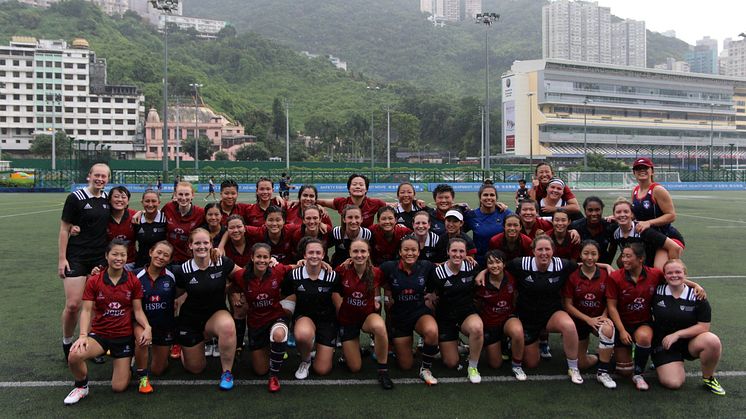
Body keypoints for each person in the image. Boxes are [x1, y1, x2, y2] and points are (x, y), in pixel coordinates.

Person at [63, 240, 151, 405]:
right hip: (100, 336)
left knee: (118, 387)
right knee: (74, 355)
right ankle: (81, 386)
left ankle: (127, 363)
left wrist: (147, 327)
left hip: (124, 337)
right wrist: (82, 335)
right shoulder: (95, 280)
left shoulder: (133, 281)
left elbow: (138, 311)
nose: (119, 258)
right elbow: (87, 310)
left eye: (122, 255)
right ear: (106, 256)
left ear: (127, 257)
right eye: (115, 254)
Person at [606, 243, 704, 391]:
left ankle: (638, 374)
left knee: (644, 338)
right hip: (622, 323)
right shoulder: (615, 277)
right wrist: (621, 330)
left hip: (642, 323)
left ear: (641, 259)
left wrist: (695, 285)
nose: (624, 259)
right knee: (624, 371)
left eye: (628, 256)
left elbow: (673, 278)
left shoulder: (654, 274)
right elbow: (611, 307)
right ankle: (618, 354)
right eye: (623, 256)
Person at [501, 235, 589, 384]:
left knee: (568, 325)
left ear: (553, 251)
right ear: (533, 251)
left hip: (551, 314)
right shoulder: (521, 264)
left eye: (547, 249)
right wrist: (484, 272)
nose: (543, 253)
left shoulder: (562, 265)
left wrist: (604, 266)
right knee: (532, 363)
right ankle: (516, 343)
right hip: (527, 318)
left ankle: (573, 368)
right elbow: (498, 268)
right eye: (539, 249)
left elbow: (586, 265)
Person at [172, 228, 240, 390]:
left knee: (228, 327)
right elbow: (177, 294)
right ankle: (190, 346)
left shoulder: (221, 262)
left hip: (215, 315)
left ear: (211, 244)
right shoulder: (183, 270)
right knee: (196, 369)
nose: (201, 246)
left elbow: (243, 276)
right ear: (190, 246)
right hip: (191, 320)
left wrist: (233, 290)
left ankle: (227, 372)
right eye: (197, 243)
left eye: (205, 242)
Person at [59, 163, 111, 361]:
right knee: (73, 304)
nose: (100, 179)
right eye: (96, 175)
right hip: (77, 257)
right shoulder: (76, 198)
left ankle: (90, 343)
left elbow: (121, 216)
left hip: (99, 258)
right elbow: (64, 228)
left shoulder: (108, 198)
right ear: (89, 176)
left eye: (104, 176)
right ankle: (66, 341)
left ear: (107, 179)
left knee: (95, 305)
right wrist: (62, 259)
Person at [652, 259, 724, 395]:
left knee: (712, 341)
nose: (674, 275)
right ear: (665, 276)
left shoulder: (697, 295)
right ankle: (663, 362)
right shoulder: (657, 291)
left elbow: (703, 327)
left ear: (685, 274)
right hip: (664, 343)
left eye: (678, 272)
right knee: (673, 383)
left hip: (689, 342)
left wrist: (677, 334)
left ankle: (708, 377)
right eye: (670, 273)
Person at [229, 243, 294, 392]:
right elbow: (229, 284)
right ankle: (271, 349)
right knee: (260, 370)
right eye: (258, 256)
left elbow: (295, 266)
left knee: (278, 335)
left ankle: (274, 376)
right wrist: (234, 295)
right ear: (252, 257)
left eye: (265, 257)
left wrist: (313, 262)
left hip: (276, 316)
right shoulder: (242, 275)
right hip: (256, 323)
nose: (262, 260)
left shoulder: (277, 270)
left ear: (270, 259)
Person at [332, 239, 394, 389]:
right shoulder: (342, 270)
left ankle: (383, 371)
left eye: (363, 251)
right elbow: (333, 289)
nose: (359, 255)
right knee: (354, 368)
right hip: (348, 319)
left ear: (368, 253)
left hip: (367, 317)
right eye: (355, 251)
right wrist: (340, 306)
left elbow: (386, 286)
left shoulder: (376, 272)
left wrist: (382, 300)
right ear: (350, 253)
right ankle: (355, 349)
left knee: (379, 327)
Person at [380, 235, 440, 385]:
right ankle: (404, 348)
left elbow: (446, 268)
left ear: (419, 252)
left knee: (432, 331)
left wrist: (433, 294)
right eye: (406, 250)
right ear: (400, 252)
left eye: (413, 250)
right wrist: (386, 293)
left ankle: (425, 368)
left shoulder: (426, 266)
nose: (410, 253)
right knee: (406, 366)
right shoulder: (389, 267)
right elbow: (370, 273)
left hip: (419, 313)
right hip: (399, 318)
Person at [561, 240, 617, 389]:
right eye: (586, 253)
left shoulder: (606, 275)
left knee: (607, 329)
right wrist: (587, 319)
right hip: (579, 320)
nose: (590, 257)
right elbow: (568, 305)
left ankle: (603, 372)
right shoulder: (572, 276)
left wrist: (604, 316)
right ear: (580, 255)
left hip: (599, 318)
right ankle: (601, 356)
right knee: (581, 363)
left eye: (593, 254)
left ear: (599, 256)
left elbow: (609, 301)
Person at [282, 238, 339, 379]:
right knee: (303, 334)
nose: (314, 255)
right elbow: (285, 295)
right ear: (305, 255)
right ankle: (305, 360)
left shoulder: (332, 275)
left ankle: (318, 346)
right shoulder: (294, 275)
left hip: (326, 321)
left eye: (318, 252)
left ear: (323, 254)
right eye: (311, 252)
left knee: (322, 370)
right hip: (304, 317)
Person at [429, 238, 484, 384]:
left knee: (477, 328)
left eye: (461, 251)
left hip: (466, 313)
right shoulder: (437, 272)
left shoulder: (472, 267)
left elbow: (492, 268)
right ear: (447, 252)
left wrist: (482, 272)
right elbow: (430, 295)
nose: (457, 254)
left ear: (466, 253)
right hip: (445, 317)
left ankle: (473, 367)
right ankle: (457, 347)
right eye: (454, 250)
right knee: (451, 363)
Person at [474, 249, 526, 381]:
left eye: (498, 262)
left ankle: (517, 365)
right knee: (495, 364)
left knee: (518, 331)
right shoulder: (480, 282)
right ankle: (491, 343)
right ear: (486, 265)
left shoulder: (512, 278)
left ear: (504, 264)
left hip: (507, 318)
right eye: (490, 263)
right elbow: (477, 305)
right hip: (490, 324)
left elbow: (516, 297)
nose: (494, 266)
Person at [133, 241, 176, 394]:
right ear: (151, 252)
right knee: (142, 340)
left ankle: (164, 354)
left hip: (164, 326)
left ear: (170, 260)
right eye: (158, 252)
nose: (161, 257)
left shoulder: (172, 276)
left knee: (158, 370)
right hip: (141, 322)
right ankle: (143, 377)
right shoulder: (135, 275)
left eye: (166, 255)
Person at [609, 199, 682, 269]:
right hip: (641, 261)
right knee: (621, 262)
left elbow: (674, 247)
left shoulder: (643, 230)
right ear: (614, 215)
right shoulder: (614, 231)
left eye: (626, 212)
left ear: (632, 215)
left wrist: (673, 268)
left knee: (660, 271)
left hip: (657, 256)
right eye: (618, 212)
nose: (622, 215)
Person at [630, 157, 685, 246]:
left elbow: (671, 215)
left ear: (652, 171)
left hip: (667, 237)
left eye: (645, 168)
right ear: (634, 173)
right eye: (638, 168)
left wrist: (649, 223)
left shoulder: (657, 190)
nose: (642, 170)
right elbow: (634, 214)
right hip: (648, 237)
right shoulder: (635, 191)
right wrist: (618, 216)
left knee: (659, 260)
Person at [463, 181, 512, 266]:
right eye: (485, 195)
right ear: (480, 197)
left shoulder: (504, 213)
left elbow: (518, 224)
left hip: (500, 262)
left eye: (492, 195)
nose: (489, 197)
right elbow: (458, 232)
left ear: (496, 198)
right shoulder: (472, 215)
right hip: (479, 262)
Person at [317, 173, 387, 228]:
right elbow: (317, 201)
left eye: (361, 184)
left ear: (366, 189)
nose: (357, 186)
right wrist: (318, 206)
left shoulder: (375, 203)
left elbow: (393, 206)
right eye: (354, 184)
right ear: (349, 188)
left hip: (366, 241)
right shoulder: (341, 202)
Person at [163, 181, 205, 264]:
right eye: (180, 194)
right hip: (169, 259)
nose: (183, 198)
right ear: (175, 194)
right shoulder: (168, 207)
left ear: (192, 195)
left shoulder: (200, 213)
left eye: (187, 194)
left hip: (189, 260)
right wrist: (141, 212)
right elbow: (154, 215)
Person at [569, 197, 615, 264]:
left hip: (602, 264)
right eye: (590, 210)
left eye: (597, 210)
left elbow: (613, 248)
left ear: (602, 210)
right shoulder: (575, 226)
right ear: (585, 211)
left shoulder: (609, 226)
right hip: (581, 265)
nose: (594, 214)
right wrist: (571, 231)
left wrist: (607, 265)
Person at [133, 189, 167, 269]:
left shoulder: (166, 218)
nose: (150, 204)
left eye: (154, 201)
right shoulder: (136, 219)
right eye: (147, 201)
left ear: (159, 202)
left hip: (161, 264)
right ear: (142, 202)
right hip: (141, 264)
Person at [106, 185, 137, 269]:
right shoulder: (103, 217)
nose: (120, 199)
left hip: (131, 262)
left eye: (123, 197)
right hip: (109, 263)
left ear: (127, 201)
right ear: (109, 200)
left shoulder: (135, 215)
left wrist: (143, 212)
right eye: (116, 197)